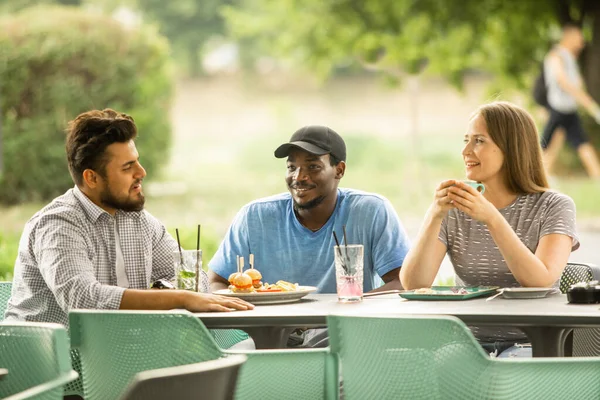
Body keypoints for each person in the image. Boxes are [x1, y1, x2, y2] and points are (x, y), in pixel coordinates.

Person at [4, 109, 253, 326]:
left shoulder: (140, 222)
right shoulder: (59, 224)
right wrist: (179, 297)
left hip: (115, 356)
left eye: (138, 162)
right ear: (91, 178)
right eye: (127, 167)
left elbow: (192, 279)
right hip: (49, 364)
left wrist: (167, 292)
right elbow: (82, 298)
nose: (141, 172)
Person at [400, 101, 579, 357]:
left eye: (479, 141)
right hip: (465, 345)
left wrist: (493, 219)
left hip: (533, 345)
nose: (465, 150)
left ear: (511, 149)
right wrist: (435, 214)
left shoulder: (554, 206)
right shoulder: (456, 207)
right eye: (466, 140)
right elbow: (414, 283)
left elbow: (540, 280)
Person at [208, 125, 411, 346]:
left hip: (344, 334)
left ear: (339, 170)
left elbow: (403, 282)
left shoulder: (370, 210)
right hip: (268, 337)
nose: (299, 177)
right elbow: (216, 282)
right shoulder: (254, 216)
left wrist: (351, 302)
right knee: (229, 370)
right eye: (291, 167)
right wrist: (251, 311)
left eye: (313, 167)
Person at [541, 22, 600, 179]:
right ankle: (533, 176)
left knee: (579, 141)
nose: (582, 43)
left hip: (569, 109)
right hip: (558, 108)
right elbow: (563, 81)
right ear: (569, 37)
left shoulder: (570, 58)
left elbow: (578, 84)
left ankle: (597, 176)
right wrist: (588, 104)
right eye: (579, 38)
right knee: (546, 144)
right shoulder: (556, 56)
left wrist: (586, 102)